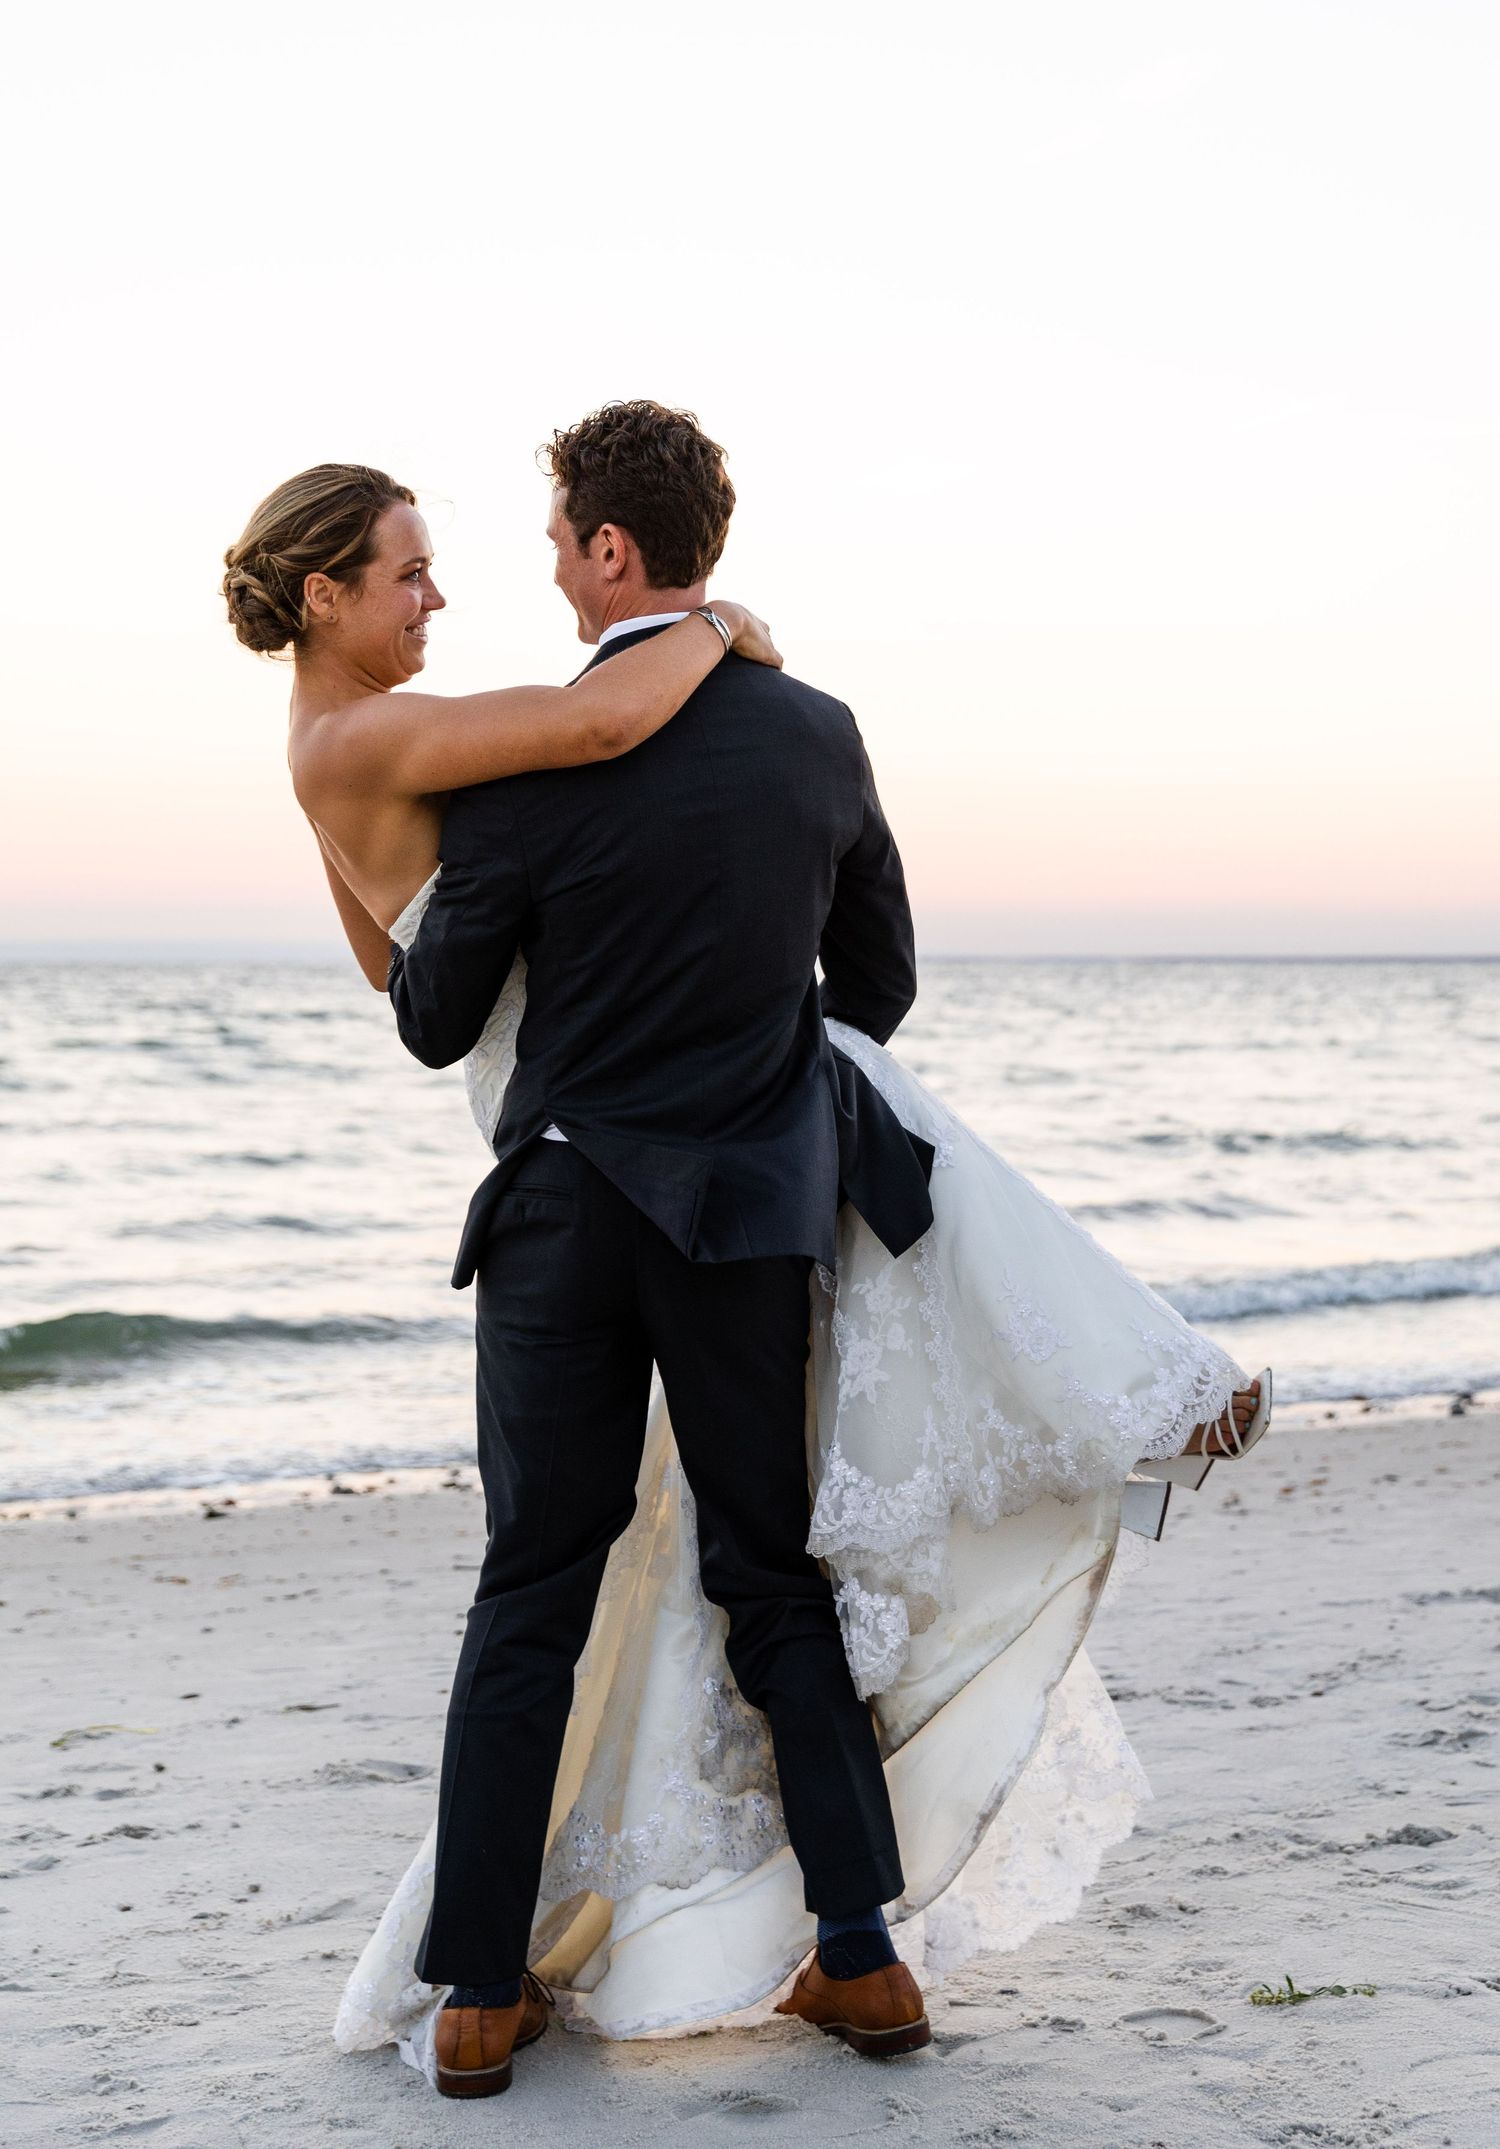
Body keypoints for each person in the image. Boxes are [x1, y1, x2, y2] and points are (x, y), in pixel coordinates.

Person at [302, 403, 1271, 2099]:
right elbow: (876, 981)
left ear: (613, 549)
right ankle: (864, 1950)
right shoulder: (817, 732)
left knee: (531, 1581)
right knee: (773, 1570)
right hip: (747, 1218)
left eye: (553, 539)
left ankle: (471, 1994)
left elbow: (439, 1013)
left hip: (557, 1213)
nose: (537, 566)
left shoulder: (531, 763)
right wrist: (747, 1062)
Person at [220, 459, 781, 975]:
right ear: (323, 596)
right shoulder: (361, 736)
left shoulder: (313, 742)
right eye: (411, 575)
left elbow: (380, 961)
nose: (435, 598)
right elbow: (598, 721)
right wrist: (720, 620)